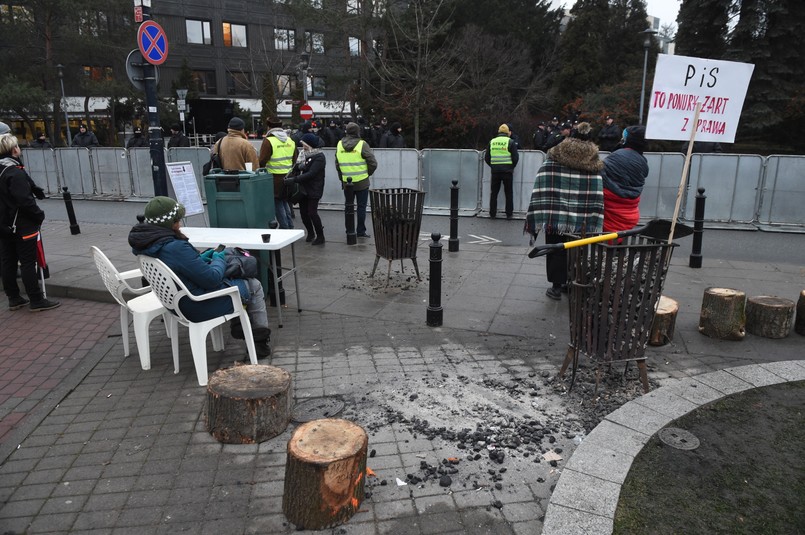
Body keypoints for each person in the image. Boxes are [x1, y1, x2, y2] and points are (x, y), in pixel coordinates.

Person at [128, 196, 272, 357]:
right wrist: (218, 258)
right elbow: (212, 279)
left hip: (175, 302)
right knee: (253, 285)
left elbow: (180, 268)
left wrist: (202, 258)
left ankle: (239, 321)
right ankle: (259, 344)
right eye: (178, 220)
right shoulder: (175, 247)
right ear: (171, 223)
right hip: (196, 304)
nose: (180, 223)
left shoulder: (148, 244)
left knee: (233, 278)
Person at [526, 122, 604, 300]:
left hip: (556, 215)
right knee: (578, 248)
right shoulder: (593, 163)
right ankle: (572, 282)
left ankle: (556, 286)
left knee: (556, 247)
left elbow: (543, 179)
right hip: (583, 218)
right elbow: (596, 191)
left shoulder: (555, 155)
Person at [0, 135, 60, 311]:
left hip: (4, 224)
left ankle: (14, 297)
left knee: (8, 261)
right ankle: (36, 299)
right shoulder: (14, 172)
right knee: (28, 262)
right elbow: (24, 201)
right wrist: (38, 215)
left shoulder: (6, 169)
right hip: (21, 224)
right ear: (13, 150)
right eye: (17, 146)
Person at [601, 126, 648, 233]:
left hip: (611, 212)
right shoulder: (643, 161)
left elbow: (602, 173)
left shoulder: (617, 156)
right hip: (630, 214)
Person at [335, 122, 377, 238]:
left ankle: (349, 230)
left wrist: (342, 178)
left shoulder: (339, 144)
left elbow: (337, 164)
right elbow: (373, 163)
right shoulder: (362, 144)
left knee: (348, 206)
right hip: (361, 181)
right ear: (358, 131)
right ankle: (360, 231)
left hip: (346, 182)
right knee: (361, 207)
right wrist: (367, 174)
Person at [285, 133, 326, 245]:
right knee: (303, 213)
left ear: (310, 145)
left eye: (305, 145)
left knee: (312, 212)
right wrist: (299, 167)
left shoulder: (319, 157)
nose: (303, 147)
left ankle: (320, 236)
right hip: (303, 188)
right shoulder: (304, 154)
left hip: (314, 188)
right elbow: (297, 166)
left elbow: (312, 173)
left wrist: (294, 179)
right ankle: (311, 233)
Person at [259, 117, 298, 229]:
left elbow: (262, 160)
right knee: (284, 201)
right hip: (289, 177)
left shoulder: (269, 140)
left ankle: (284, 227)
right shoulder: (290, 140)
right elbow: (295, 159)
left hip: (274, 178)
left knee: (277, 202)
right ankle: (290, 225)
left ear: (269, 127)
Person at [484, 124, 519, 219]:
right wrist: (511, 167)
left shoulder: (492, 142)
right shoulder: (510, 141)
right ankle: (509, 214)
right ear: (508, 133)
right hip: (507, 172)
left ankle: (492, 214)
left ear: (498, 132)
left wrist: (493, 166)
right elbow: (515, 158)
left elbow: (487, 158)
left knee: (494, 193)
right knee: (508, 193)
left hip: (495, 172)